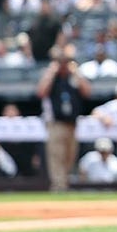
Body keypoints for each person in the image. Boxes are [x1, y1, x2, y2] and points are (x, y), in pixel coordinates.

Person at [35, 45, 92, 191]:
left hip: (72, 123)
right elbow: (41, 92)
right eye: (61, 62)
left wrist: (76, 72)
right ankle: (58, 186)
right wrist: (52, 71)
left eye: (66, 61)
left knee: (70, 156)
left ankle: (65, 183)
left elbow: (87, 92)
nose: (63, 65)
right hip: (56, 123)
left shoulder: (73, 77)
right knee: (56, 156)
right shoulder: (52, 77)